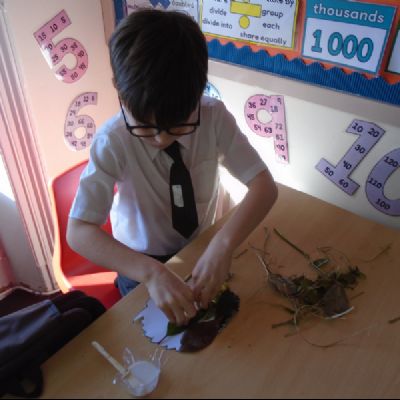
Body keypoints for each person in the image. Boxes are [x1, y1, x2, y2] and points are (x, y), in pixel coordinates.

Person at [67, 8, 278, 327]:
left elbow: (264, 187)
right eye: (144, 126)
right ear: (120, 93)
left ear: (199, 92)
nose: (161, 138)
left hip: (202, 249)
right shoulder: (113, 140)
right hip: (140, 265)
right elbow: (79, 231)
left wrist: (223, 244)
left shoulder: (213, 117)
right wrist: (151, 272)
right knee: (154, 338)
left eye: (178, 125)